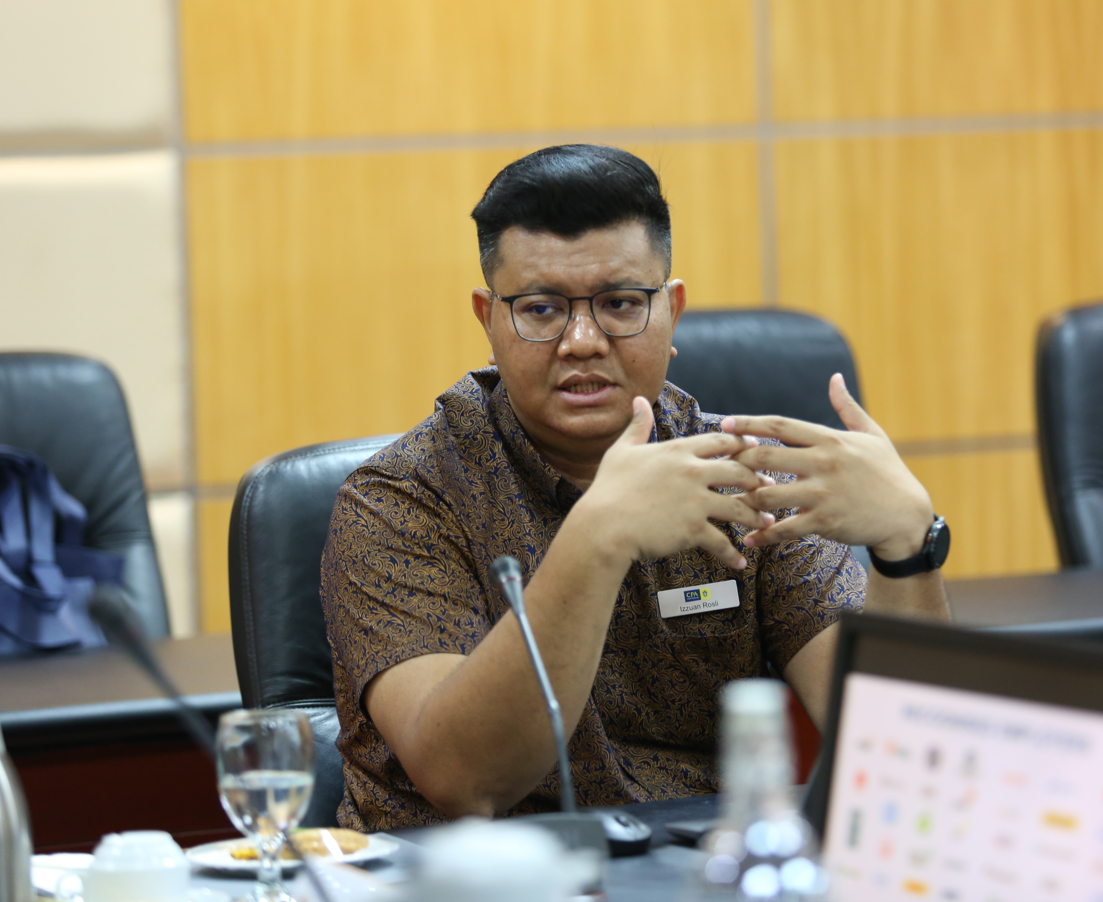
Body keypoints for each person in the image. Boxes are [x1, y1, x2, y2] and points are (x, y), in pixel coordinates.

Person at [320, 145, 949, 832]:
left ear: (671, 310)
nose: (582, 340)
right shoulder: (400, 500)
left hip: (691, 866)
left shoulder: (741, 478)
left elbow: (906, 764)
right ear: (489, 320)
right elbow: (467, 781)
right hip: (473, 875)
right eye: (541, 309)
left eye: (620, 304)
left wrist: (908, 550)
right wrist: (596, 537)